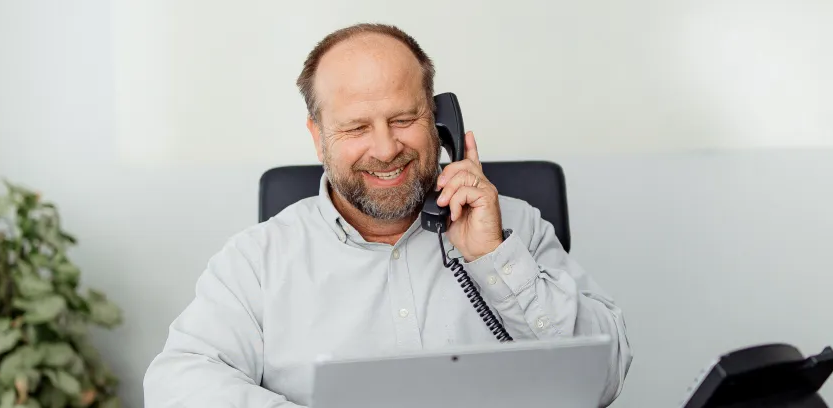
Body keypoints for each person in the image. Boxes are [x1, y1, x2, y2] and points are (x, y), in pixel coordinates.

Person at [143, 23, 633, 407]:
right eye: (357, 126)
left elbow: (605, 377)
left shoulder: (516, 228)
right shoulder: (258, 260)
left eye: (404, 119)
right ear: (318, 138)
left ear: (439, 120)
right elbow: (178, 384)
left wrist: (494, 257)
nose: (385, 148)